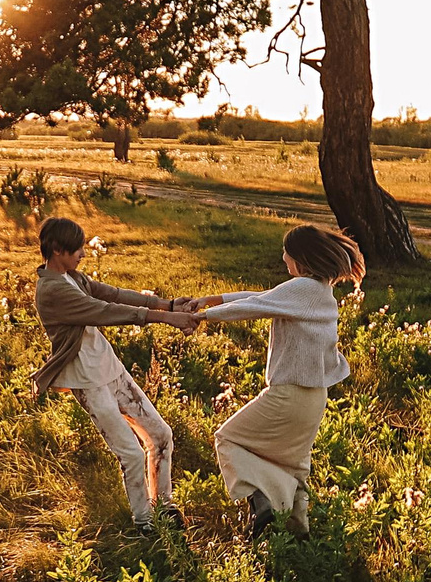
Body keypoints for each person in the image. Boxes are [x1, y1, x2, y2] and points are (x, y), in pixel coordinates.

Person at [184, 223, 365, 538]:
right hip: (314, 398)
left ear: (301, 259)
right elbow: (262, 297)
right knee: (294, 466)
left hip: (289, 395)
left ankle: (263, 499)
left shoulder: (303, 288)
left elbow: (255, 306)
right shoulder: (318, 290)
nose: (283, 257)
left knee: (229, 439)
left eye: (286, 252)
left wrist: (200, 317)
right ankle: (299, 537)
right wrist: (210, 300)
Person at [30, 215, 198, 529]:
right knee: (131, 454)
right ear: (56, 249)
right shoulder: (52, 290)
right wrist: (166, 319)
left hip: (111, 369)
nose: (82, 254)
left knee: (161, 435)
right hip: (88, 381)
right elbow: (106, 311)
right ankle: (145, 523)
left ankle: (164, 507)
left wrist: (169, 305)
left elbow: (114, 294)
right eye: (76, 249)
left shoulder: (73, 277)